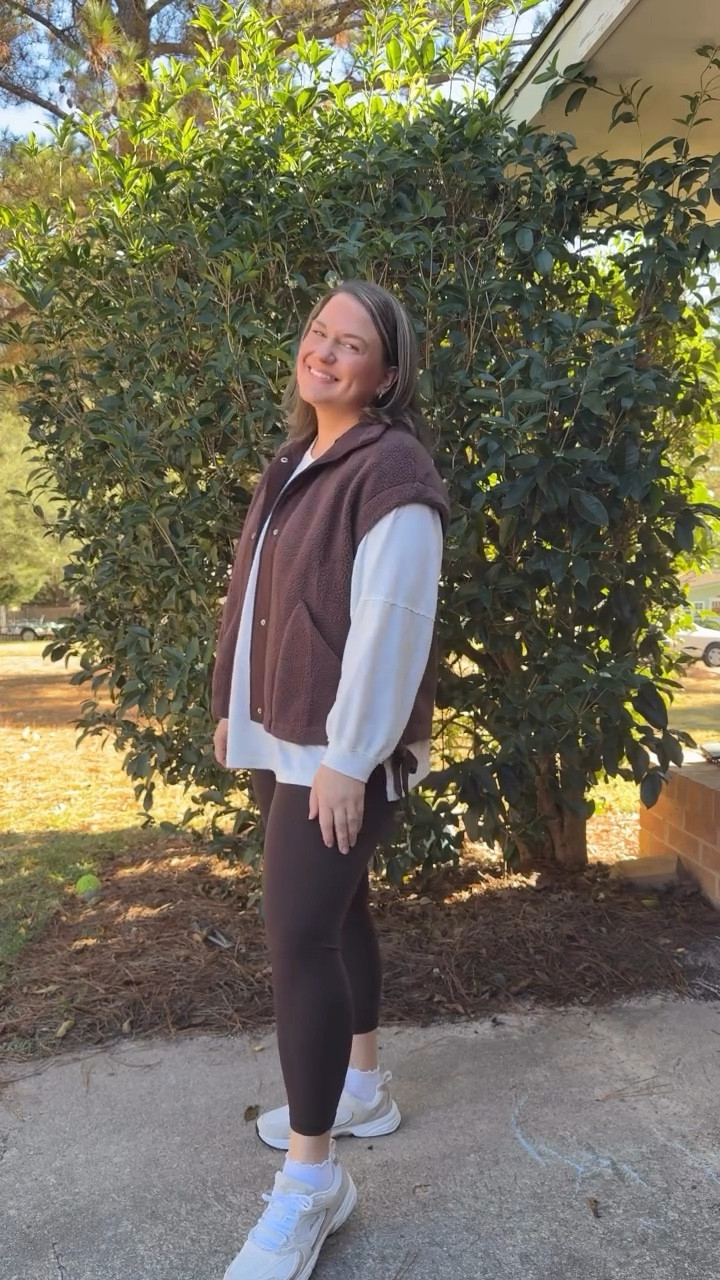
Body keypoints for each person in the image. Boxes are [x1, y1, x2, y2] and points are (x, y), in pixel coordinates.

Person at [212, 279, 449, 1280]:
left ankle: (314, 1182)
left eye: (351, 343)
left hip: (339, 747)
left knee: (301, 935)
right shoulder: (297, 459)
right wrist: (246, 714)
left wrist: (351, 756)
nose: (326, 351)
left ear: (385, 374)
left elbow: (393, 621)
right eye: (318, 332)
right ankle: (362, 1087)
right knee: (339, 911)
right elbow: (265, 597)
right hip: (292, 735)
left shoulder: (390, 467)